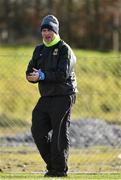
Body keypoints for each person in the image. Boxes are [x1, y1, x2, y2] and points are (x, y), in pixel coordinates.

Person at [26, 15, 77, 177]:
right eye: (44, 30)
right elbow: (30, 71)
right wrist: (31, 76)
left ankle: (59, 170)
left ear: (56, 32)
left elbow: (62, 75)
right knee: (37, 130)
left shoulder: (64, 49)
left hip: (64, 95)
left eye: (50, 30)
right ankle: (53, 165)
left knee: (59, 134)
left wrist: (42, 76)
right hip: (46, 96)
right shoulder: (39, 50)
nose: (46, 34)